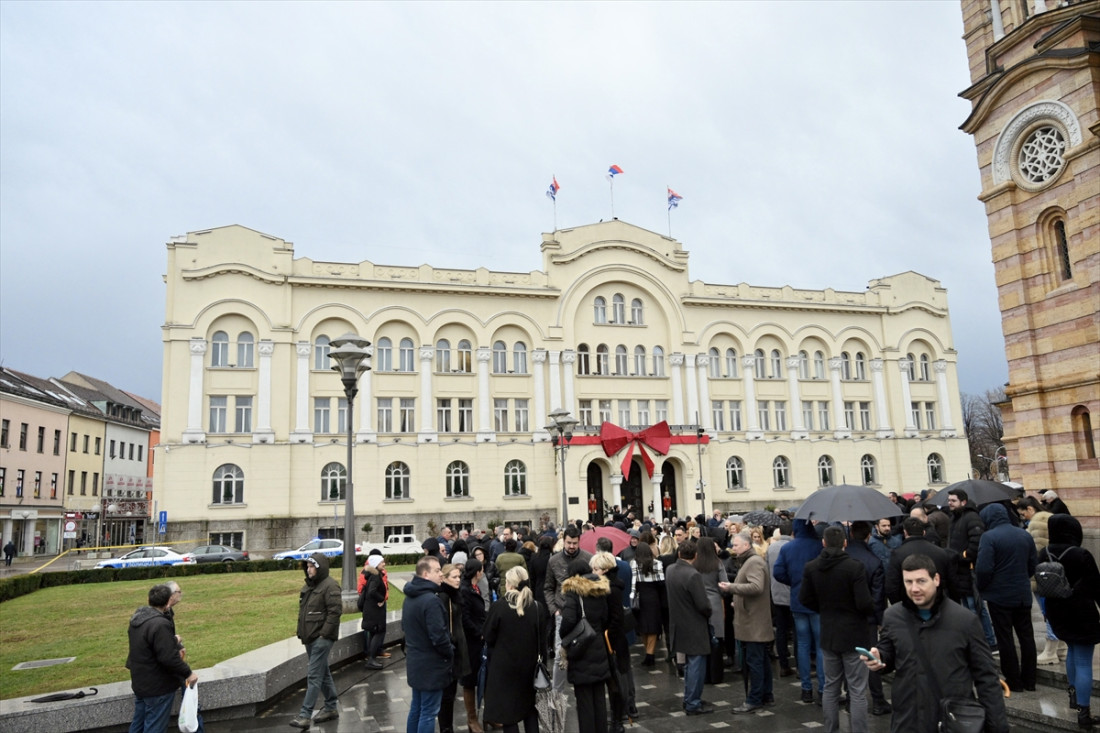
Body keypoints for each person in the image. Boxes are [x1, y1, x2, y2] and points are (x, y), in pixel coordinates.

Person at [864, 553, 1008, 733]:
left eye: (921, 581)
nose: (914, 588)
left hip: (951, 720)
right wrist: (880, 658)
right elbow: (889, 651)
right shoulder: (893, 616)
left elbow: (986, 677)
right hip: (908, 720)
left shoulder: (965, 620)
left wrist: (998, 727)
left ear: (936, 579)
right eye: (908, 582)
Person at [800, 526, 874, 733]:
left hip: (829, 632)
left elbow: (804, 598)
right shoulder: (854, 567)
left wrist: (824, 608)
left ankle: (831, 729)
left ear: (823, 543)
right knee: (857, 689)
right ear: (845, 543)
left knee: (831, 687)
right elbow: (864, 603)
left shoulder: (812, 567)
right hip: (854, 633)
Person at [1038, 514, 1099, 728]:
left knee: (1072, 652)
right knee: (1083, 660)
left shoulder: (1043, 552)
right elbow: (1096, 586)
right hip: (1082, 613)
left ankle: (1074, 697)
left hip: (1056, 612)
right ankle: (1084, 713)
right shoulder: (1081, 554)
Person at [975, 502, 1038, 692]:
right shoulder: (1024, 534)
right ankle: (1030, 680)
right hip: (1022, 594)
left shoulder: (989, 537)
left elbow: (984, 568)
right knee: (1027, 636)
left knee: (1005, 638)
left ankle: (1014, 681)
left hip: (999, 596)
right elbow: (1032, 564)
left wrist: (982, 586)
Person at [483, 566, 549, 733]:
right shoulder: (536, 607)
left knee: (508, 715)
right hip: (529, 667)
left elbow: (488, 635)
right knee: (530, 712)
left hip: (504, 668)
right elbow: (543, 640)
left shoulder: (499, 607)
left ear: (510, 585)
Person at [126, 583, 198, 733]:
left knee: (138, 725)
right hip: (157, 686)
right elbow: (168, 657)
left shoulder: (138, 619)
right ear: (168, 602)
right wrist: (188, 674)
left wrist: (171, 641)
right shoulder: (160, 624)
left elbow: (148, 646)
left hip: (140, 682)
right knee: (155, 727)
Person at [773, 518, 825, 704]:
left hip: (797, 599)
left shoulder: (787, 548)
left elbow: (778, 572)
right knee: (820, 645)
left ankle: (806, 689)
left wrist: (794, 583)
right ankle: (823, 688)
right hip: (818, 600)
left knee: (802, 644)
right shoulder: (819, 546)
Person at [560, 558, 612, 733]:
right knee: (599, 697)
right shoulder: (601, 589)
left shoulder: (574, 592)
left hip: (581, 648)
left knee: (584, 701)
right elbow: (606, 618)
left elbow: (567, 620)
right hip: (598, 645)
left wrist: (563, 636)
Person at [290, 553, 342, 729]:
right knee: (323, 672)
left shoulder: (330, 585)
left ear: (319, 568)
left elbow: (335, 612)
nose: (308, 569)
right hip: (310, 637)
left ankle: (305, 715)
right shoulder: (309, 586)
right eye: (307, 566)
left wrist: (324, 635)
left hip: (321, 639)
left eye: (312, 566)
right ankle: (331, 706)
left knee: (314, 675)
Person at [402, 557, 453, 733]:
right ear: (425, 574)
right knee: (429, 712)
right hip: (431, 666)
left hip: (416, 663)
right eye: (437, 570)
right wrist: (450, 652)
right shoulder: (431, 601)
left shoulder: (410, 597)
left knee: (417, 708)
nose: (441, 574)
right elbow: (439, 637)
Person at [665, 540, 714, 716]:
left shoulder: (670, 570)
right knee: (696, 664)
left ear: (679, 554)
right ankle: (693, 702)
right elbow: (703, 605)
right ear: (695, 556)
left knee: (687, 665)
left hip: (678, 623)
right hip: (694, 624)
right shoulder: (693, 575)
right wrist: (710, 611)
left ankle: (689, 698)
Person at [728, 531, 774, 714]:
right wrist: (737, 600)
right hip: (754, 621)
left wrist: (732, 588)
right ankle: (766, 695)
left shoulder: (753, 562)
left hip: (754, 623)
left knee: (755, 662)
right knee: (761, 660)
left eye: (736, 545)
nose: (733, 547)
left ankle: (754, 699)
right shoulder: (749, 561)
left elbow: (756, 587)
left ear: (746, 545)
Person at [847, 522, 890, 716]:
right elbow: (878, 595)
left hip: (846, 617)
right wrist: (879, 618)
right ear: (868, 536)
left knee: (849, 660)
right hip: (868, 618)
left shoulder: (843, 559)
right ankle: (878, 701)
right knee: (871, 658)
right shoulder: (873, 560)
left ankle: (850, 699)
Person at [591, 550, 631, 732]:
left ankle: (618, 719)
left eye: (596, 568)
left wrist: (607, 634)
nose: (593, 571)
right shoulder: (609, 585)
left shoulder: (612, 589)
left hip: (612, 641)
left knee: (615, 681)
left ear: (605, 570)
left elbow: (616, 618)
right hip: (612, 639)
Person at [885, 517, 957, 605]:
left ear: (905, 533)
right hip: (938, 603)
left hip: (909, 605)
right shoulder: (941, 553)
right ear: (924, 532)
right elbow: (952, 583)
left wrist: (900, 607)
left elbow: (892, 587)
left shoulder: (897, 554)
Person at [437, 564, 471, 733]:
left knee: (450, 693)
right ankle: (446, 728)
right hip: (452, 648)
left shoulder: (454, 594)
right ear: (444, 578)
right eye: (454, 577)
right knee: (447, 695)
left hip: (457, 646)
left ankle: (447, 726)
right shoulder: (444, 596)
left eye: (459, 577)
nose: (458, 580)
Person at [692, 535, 729, 684]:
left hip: (698, 604)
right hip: (715, 603)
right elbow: (724, 585)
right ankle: (716, 675)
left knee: (703, 641)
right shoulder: (717, 563)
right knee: (717, 641)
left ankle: (704, 675)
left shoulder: (694, 565)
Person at [459, 559, 487, 733]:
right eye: (481, 569)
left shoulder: (474, 588)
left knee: (485, 675)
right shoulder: (465, 591)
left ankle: (489, 716)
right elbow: (465, 618)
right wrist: (479, 632)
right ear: (477, 572)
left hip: (480, 640)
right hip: (470, 642)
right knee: (470, 680)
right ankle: (472, 719)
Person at [766, 520, 795, 678]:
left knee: (781, 630)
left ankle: (783, 664)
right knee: (798, 631)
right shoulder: (794, 546)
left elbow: (767, 569)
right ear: (792, 533)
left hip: (776, 594)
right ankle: (799, 663)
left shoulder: (771, 548)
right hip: (793, 594)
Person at [630, 540, 666, 666]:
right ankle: (650, 654)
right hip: (653, 596)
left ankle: (648, 652)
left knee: (643, 627)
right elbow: (661, 581)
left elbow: (633, 582)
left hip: (640, 597)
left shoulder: (633, 563)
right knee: (653, 627)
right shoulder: (657, 563)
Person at [359, 554, 388, 669]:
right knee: (379, 632)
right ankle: (371, 659)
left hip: (370, 610)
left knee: (373, 632)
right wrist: (381, 599)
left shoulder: (371, 575)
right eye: (382, 562)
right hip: (375, 610)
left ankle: (371, 658)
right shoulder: (375, 576)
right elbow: (372, 591)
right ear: (376, 564)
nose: (384, 564)